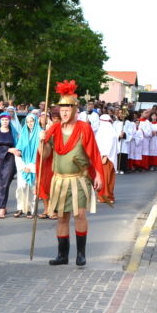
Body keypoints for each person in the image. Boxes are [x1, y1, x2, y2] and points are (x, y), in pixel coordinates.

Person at [40, 80, 104, 267]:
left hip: (79, 179)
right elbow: (44, 156)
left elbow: (94, 151)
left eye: (68, 109)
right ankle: (62, 255)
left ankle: (81, 254)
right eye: (62, 109)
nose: (64, 112)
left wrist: (99, 173)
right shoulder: (54, 129)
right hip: (59, 180)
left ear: (75, 109)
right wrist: (41, 141)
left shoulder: (84, 128)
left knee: (80, 216)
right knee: (61, 218)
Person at [14, 111, 42, 217]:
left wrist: (32, 167)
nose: (30, 123)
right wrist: (23, 166)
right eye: (28, 121)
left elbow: (42, 152)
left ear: (36, 122)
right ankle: (20, 207)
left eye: (32, 121)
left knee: (32, 188)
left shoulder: (40, 133)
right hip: (23, 165)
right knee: (21, 187)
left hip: (34, 165)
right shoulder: (23, 134)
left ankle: (31, 209)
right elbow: (18, 151)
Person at [94, 112, 119, 205]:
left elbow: (108, 145)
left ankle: (107, 196)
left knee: (107, 178)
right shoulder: (102, 131)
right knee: (102, 177)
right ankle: (101, 196)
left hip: (106, 158)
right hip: (101, 157)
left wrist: (105, 155)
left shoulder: (108, 132)